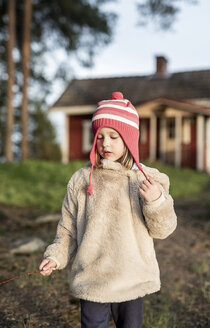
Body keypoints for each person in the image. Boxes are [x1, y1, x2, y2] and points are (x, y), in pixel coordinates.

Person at [39, 91, 177, 328]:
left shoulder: (145, 180)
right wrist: (56, 256)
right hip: (94, 278)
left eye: (114, 136)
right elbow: (68, 228)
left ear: (129, 139)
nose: (105, 143)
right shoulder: (82, 180)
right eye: (100, 137)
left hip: (131, 277)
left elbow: (163, 229)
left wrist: (156, 201)